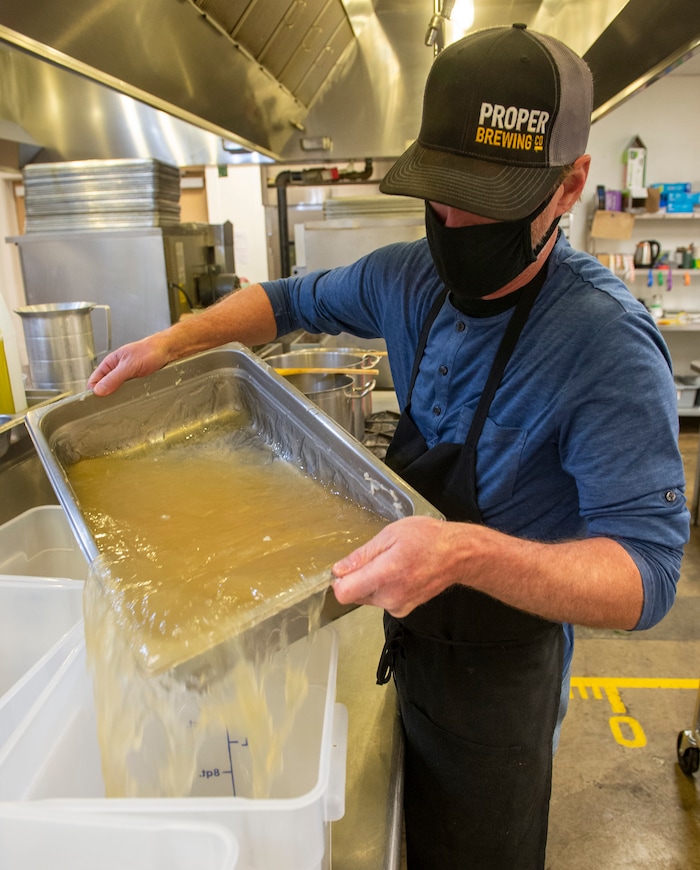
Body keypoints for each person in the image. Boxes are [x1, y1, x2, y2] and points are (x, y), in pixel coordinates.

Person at [88, 23, 689, 869]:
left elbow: (646, 574)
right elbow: (285, 299)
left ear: (570, 185)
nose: (455, 220)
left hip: (500, 682)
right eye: (441, 191)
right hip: (409, 634)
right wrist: (170, 344)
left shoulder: (604, 346)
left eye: (490, 198)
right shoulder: (406, 276)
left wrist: (463, 554)